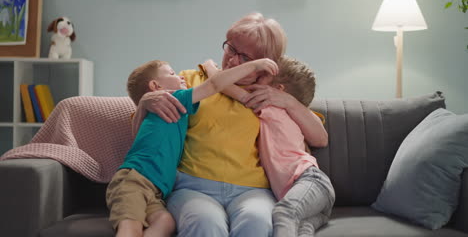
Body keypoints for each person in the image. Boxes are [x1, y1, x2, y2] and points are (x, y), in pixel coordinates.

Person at [134, 12, 328, 236]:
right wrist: (144, 103)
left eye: (246, 58)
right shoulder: (191, 81)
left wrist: (288, 101)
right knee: (205, 222)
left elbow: (320, 138)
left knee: (257, 221)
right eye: (231, 49)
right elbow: (147, 133)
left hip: (252, 190)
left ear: (266, 64)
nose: (234, 61)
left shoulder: (269, 95)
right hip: (193, 187)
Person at [106, 58, 279, 237]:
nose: (180, 76)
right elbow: (213, 85)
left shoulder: (170, 109)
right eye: (172, 73)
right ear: (156, 86)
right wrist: (254, 65)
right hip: (134, 181)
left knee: (165, 223)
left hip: (157, 190)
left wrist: (211, 67)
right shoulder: (173, 98)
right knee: (130, 230)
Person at [205, 56, 336, 236]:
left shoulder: (272, 108)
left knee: (284, 213)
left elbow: (224, 86)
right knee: (302, 229)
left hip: (309, 181)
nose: (258, 76)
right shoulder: (284, 111)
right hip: (309, 199)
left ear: (277, 90)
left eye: (264, 76)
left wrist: (211, 69)